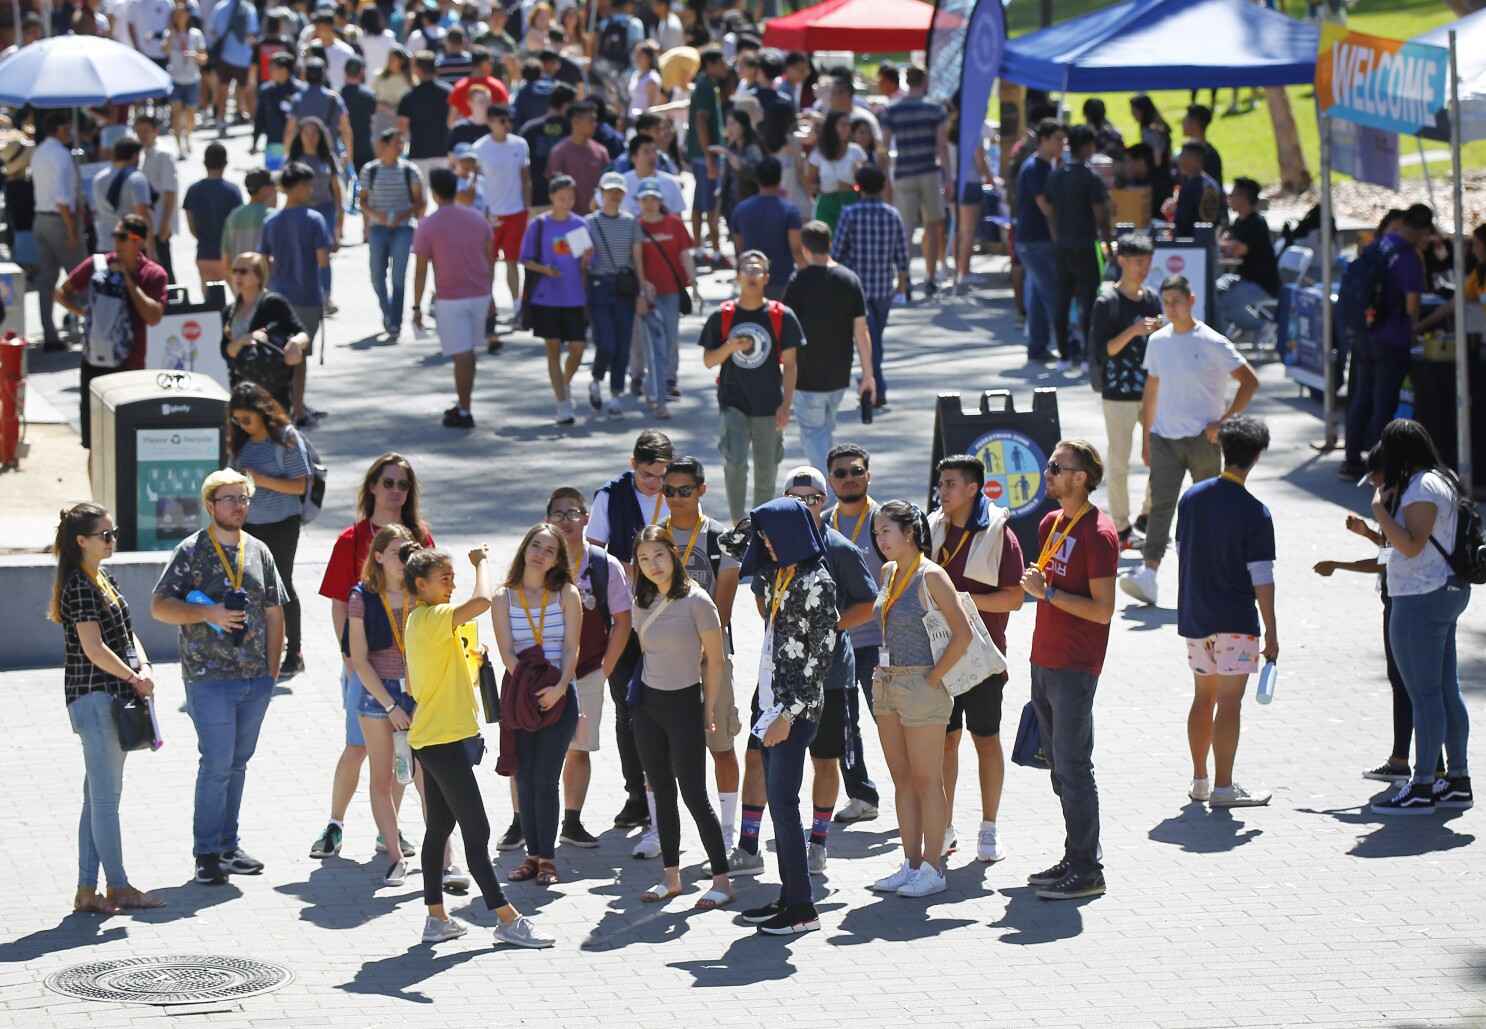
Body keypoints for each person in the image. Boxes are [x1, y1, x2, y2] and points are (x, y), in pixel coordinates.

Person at [401, 544, 555, 947]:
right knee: (477, 830)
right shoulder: (432, 617)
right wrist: (480, 562)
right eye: (445, 579)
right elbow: (484, 600)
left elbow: (425, 682)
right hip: (443, 742)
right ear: (421, 585)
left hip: (432, 740)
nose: (452, 586)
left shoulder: (420, 621)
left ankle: (436, 919)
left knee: (439, 828)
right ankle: (506, 918)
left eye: (454, 578)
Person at [151, 469, 285, 886]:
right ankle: (206, 852)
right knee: (216, 765)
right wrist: (207, 613)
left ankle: (228, 844)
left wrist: (273, 669)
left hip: (256, 678)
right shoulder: (191, 551)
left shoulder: (259, 550)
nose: (238, 506)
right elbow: (159, 606)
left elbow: (275, 609)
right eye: (229, 499)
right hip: (209, 677)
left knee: (237, 764)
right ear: (210, 505)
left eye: (243, 499)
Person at [719, 498, 837, 934]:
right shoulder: (780, 571)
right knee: (779, 804)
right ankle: (790, 895)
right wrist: (760, 520)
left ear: (789, 534)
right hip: (770, 702)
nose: (763, 542)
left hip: (793, 711)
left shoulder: (816, 582)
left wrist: (788, 713)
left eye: (771, 533)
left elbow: (819, 659)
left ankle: (803, 908)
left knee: (784, 807)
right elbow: (731, 546)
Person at [50, 502, 166, 914]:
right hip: (95, 699)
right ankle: (118, 887)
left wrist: (145, 667)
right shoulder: (79, 585)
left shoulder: (102, 577)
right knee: (105, 799)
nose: (112, 540)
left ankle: (87, 891)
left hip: (109, 697)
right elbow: (94, 649)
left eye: (113, 533)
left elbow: (128, 635)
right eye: (105, 535)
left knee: (95, 798)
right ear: (81, 541)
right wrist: (135, 679)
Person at [1017, 440, 1119, 900]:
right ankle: (1074, 853)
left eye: (1056, 467)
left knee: (1075, 766)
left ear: (1081, 478)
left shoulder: (1099, 534)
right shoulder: (1050, 523)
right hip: (1045, 658)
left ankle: (1087, 868)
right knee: (1058, 766)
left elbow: (1102, 611)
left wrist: (1049, 595)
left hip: (1076, 665)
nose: (1047, 473)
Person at [1119, 275, 1259, 606]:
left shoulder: (1212, 341)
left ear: (1191, 299)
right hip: (1164, 438)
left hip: (1203, 440)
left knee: (1207, 510)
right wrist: (1147, 438)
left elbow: (1249, 382)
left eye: (1177, 301)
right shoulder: (1159, 341)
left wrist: (1223, 423)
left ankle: (1211, 576)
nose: (1171, 308)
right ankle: (1149, 574)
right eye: (1166, 302)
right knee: (1160, 509)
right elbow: (1151, 390)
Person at [865, 498, 974, 897]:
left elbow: (962, 633)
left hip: (922, 685)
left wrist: (933, 679)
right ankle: (910, 864)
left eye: (886, 531)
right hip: (887, 682)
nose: (880, 540)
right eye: (876, 533)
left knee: (929, 780)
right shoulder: (889, 571)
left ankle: (933, 866)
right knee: (903, 780)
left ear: (909, 532)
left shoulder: (932, 576)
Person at [1313, 444, 1438, 784]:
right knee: (1409, 684)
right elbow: (1389, 550)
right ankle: (1413, 761)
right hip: (1399, 599)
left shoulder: (1403, 503)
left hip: (1405, 602)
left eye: (1375, 478)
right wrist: (1368, 532)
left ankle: (1426, 765)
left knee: (1410, 685)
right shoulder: (1400, 503)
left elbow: (1387, 561)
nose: (1372, 486)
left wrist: (1336, 565)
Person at [1369, 420, 1474, 815]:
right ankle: (1457, 780)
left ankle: (1423, 785)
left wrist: (1379, 509)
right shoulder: (1441, 479)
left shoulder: (1421, 487)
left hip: (1420, 598)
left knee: (1425, 695)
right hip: (1441, 594)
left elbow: (1411, 546)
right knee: (1446, 690)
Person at [627, 524, 735, 907]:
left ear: (674, 553)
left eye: (658, 555)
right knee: (661, 793)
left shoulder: (698, 600)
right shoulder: (641, 601)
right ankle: (671, 879)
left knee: (694, 796)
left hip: (685, 705)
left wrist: (708, 708)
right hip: (648, 708)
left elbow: (716, 661)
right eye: (643, 558)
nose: (652, 564)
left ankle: (721, 882)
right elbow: (645, 651)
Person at [1176, 416, 1279, 808]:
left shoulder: (1192, 498)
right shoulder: (1256, 512)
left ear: (1222, 448)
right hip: (1236, 620)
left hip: (1197, 616)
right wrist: (1271, 631)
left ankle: (1201, 779)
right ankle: (1224, 787)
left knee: (1203, 697)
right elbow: (1262, 577)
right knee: (1230, 704)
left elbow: (1184, 550)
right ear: (1255, 458)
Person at [928, 454, 1026, 862]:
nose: (943, 492)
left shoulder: (1001, 534)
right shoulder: (932, 527)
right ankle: (945, 827)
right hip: (938, 656)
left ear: (973, 489)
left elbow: (1015, 599)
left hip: (983, 658)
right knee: (944, 743)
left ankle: (989, 829)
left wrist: (960, 604)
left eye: (951, 484)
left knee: (985, 741)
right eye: (941, 484)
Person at [539, 488, 633, 850]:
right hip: (543, 673)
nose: (565, 520)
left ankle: (572, 822)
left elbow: (622, 621)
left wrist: (605, 669)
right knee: (533, 749)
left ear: (586, 519)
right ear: (548, 519)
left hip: (588, 672)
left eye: (572, 513)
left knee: (579, 748)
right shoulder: (538, 560)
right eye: (558, 514)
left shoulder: (603, 565)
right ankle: (521, 822)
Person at [490, 525, 580, 886]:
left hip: (559, 696)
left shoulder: (566, 594)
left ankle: (548, 859)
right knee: (523, 778)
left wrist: (558, 687)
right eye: (535, 546)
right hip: (520, 696)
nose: (540, 554)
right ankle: (531, 855)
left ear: (557, 559)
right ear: (525, 549)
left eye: (549, 550)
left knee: (545, 779)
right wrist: (529, 687)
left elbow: (572, 647)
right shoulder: (503, 597)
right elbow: (506, 651)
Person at [700, 250, 802, 521]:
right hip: (733, 400)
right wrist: (730, 347)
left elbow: (790, 364)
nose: (752, 275)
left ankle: (760, 525)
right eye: (746, 270)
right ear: (737, 276)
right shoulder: (722, 315)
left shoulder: (782, 316)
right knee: (734, 464)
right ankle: (737, 525)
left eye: (757, 270)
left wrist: (786, 404)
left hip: (769, 403)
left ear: (766, 277)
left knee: (766, 472)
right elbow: (709, 361)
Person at [55, 215, 168, 447]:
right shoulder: (98, 265)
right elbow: (61, 292)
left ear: (139, 242)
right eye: (115, 235)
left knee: (126, 440)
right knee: (94, 442)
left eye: (123, 236)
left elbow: (154, 316)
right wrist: (85, 313)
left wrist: (128, 281)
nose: (116, 241)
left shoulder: (153, 274)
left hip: (130, 365)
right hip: (93, 362)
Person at [1341, 205, 1432, 479]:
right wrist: (1414, 329)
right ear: (1424, 230)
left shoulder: (1380, 243)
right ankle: (1382, 466)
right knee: (1384, 402)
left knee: (1362, 397)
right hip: (1392, 337)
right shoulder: (1409, 257)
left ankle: (1351, 460)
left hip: (1365, 332)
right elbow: (1413, 304)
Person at [225, 382, 309, 677]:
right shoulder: (239, 442)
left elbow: (300, 484)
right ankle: (258, 648)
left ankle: (294, 650)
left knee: (281, 584)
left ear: (262, 413)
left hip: (282, 523)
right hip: (248, 525)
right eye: (237, 420)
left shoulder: (286, 438)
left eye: (247, 419)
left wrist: (259, 479)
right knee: (251, 588)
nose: (242, 425)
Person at [783, 221, 874, 473]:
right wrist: (868, 375)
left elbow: (786, 330)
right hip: (839, 375)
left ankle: (833, 491)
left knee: (813, 435)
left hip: (807, 375)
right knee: (825, 433)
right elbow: (861, 330)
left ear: (804, 249)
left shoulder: (798, 281)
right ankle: (835, 486)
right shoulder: (850, 279)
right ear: (830, 244)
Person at [1089, 233, 1161, 550]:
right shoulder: (1108, 302)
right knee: (1119, 462)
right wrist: (1133, 330)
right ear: (1122, 262)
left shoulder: (1153, 298)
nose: (1143, 268)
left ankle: (1148, 514)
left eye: (1147, 262)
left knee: (1162, 455)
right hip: (1118, 394)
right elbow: (1103, 351)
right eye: (1137, 262)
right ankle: (1120, 527)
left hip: (1151, 392)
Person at [411, 167, 495, 429]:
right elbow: (490, 258)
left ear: (434, 193)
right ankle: (463, 404)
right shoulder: (477, 219)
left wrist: (416, 306)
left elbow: (421, 271)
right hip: (479, 294)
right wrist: (491, 292)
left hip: (450, 299)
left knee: (463, 355)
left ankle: (465, 409)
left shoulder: (428, 225)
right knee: (467, 354)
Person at [258, 161, 332, 427]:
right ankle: (298, 409)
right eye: (309, 185)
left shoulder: (271, 221)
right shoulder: (314, 219)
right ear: (299, 187)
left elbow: (262, 259)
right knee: (299, 357)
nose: (312, 190)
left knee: (278, 355)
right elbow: (323, 260)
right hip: (306, 294)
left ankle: (280, 407)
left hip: (278, 294)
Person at [832, 165, 909, 408]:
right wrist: (902, 285)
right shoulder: (892, 215)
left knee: (871, 339)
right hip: (884, 288)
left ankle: (874, 385)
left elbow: (836, 252)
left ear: (859, 187)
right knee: (875, 339)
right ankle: (874, 381)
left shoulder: (849, 214)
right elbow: (902, 255)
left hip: (858, 290)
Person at [1040, 124, 1110, 374]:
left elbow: (1049, 210)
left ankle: (1064, 354)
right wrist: (1109, 245)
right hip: (1085, 244)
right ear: (1088, 146)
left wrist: (1056, 236)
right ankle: (1089, 354)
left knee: (1063, 299)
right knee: (1089, 302)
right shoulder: (1091, 178)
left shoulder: (1056, 175)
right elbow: (1101, 215)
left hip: (1063, 245)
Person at [520, 173, 590, 424]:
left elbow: (584, 265)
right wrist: (545, 270)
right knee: (552, 351)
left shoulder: (581, 224)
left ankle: (564, 384)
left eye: (571, 198)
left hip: (574, 296)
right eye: (562, 198)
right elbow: (525, 259)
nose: (567, 202)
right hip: (546, 296)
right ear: (551, 197)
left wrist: (585, 260)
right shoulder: (538, 225)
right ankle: (562, 404)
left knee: (577, 348)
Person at [585, 172, 648, 419]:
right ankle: (596, 379)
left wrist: (642, 292)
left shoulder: (631, 222)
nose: (614, 195)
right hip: (599, 286)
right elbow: (581, 261)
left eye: (618, 191)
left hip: (625, 288)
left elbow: (638, 261)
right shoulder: (587, 222)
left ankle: (614, 397)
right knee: (606, 342)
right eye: (609, 191)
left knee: (623, 345)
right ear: (600, 193)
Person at [880, 66, 948, 296]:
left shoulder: (892, 109)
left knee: (906, 229)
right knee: (931, 226)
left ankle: (904, 279)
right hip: (929, 171)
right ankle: (930, 278)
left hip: (903, 173)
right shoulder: (935, 109)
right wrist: (947, 178)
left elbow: (885, 144)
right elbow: (941, 146)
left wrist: (885, 177)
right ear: (925, 80)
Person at [636, 177, 698, 415]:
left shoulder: (674, 224)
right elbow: (635, 261)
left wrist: (694, 285)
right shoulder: (636, 226)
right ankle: (658, 396)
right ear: (639, 202)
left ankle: (663, 381)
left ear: (661, 200)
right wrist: (642, 286)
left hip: (672, 292)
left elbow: (685, 255)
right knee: (656, 345)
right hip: (648, 296)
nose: (649, 204)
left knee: (671, 341)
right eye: (644, 199)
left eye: (653, 199)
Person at [220, 252, 307, 416]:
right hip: (242, 390)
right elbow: (226, 352)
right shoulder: (229, 311)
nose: (237, 276)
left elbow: (302, 333)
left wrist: (295, 344)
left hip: (273, 387)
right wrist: (242, 341)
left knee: (274, 436)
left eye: (243, 271)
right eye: (234, 271)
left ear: (258, 277)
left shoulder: (273, 303)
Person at [360, 128, 426, 339]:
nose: (400, 147)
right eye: (396, 143)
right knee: (377, 275)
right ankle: (387, 311)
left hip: (403, 228)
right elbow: (362, 200)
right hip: (378, 228)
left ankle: (395, 322)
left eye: (402, 143)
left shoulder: (411, 170)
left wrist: (403, 214)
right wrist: (375, 215)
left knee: (399, 277)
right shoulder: (370, 170)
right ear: (384, 145)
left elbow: (419, 201)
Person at [34, 113, 89, 351]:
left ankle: (50, 332)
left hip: (41, 219)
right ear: (60, 130)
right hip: (59, 222)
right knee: (82, 278)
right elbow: (62, 199)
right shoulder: (62, 156)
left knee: (46, 280)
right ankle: (92, 327)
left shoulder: (38, 152)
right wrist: (71, 229)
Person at [1016, 119, 1068, 364]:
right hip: (1036, 241)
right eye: (1057, 138)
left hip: (1035, 240)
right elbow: (1045, 206)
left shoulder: (1045, 166)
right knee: (1053, 295)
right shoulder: (1037, 167)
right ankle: (1071, 345)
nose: (1062, 144)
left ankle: (1037, 346)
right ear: (1044, 140)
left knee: (1038, 296)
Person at [286, 116, 344, 309]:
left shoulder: (327, 157)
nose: (311, 138)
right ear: (300, 136)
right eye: (306, 133)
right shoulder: (294, 160)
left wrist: (339, 220)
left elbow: (336, 188)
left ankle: (326, 297)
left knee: (324, 253)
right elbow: (283, 187)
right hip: (301, 211)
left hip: (325, 209)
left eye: (314, 134)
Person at [730, 157, 803, 302]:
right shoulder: (790, 211)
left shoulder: (741, 209)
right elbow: (796, 251)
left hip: (751, 282)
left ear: (757, 180)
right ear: (780, 177)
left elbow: (740, 248)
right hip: (782, 282)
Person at [183, 143, 243, 291]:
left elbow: (192, 227)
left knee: (211, 308)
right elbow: (238, 225)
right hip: (228, 256)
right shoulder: (232, 190)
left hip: (204, 254)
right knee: (242, 304)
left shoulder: (193, 190)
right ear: (226, 163)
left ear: (204, 163)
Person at [686, 48, 728, 261]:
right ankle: (716, 252)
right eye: (721, 62)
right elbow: (701, 123)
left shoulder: (707, 86)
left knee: (700, 203)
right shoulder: (704, 88)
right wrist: (710, 158)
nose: (725, 66)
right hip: (706, 156)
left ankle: (699, 248)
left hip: (702, 155)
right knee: (711, 204)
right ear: (710, 64)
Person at [132, 115, 180, 282]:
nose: (142, 135)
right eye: (138, 131)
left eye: (146, 131)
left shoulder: (163, 154)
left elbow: (170, 191)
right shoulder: (144, 154)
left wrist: (166, 223)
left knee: (164, 268)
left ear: (156, 131)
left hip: (160, 223)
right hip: (149, 223)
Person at [805, 110, 864, 235]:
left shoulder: (857, 152)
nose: (847, 129)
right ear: (832, 127)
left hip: (851, 204)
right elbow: (809, 184)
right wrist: (823, 188)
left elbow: (866, 185)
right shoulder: (819, 154)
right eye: (842, 125)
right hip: (826, 206)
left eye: (849, 125)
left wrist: (853, 187)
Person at [206, 0, 259, 136]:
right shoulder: (249, 9)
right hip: (243, 57)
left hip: (224, 56)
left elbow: (213, 31)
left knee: (223, 90)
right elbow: (251, 33)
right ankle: (254, 122)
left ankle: (221, 121)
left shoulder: (220, 7)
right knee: (248, 89)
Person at [520, 81, 575, 212]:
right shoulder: (573, 129)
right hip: (567, 200)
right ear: (566, 105)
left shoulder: (529, 129)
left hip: (536, 198)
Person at [91, 138, 154, 250]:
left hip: (105, 243)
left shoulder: (98, 178)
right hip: (131, 247)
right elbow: (143, 214)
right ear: (135, 156)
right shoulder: (136, 179)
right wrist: (151, 248)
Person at [399, 51, 454, 179]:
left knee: (420, 197)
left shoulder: (410, 95)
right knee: (442, 196)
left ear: (417, 69)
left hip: (419, 152)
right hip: (443, 151)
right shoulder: (448, 91)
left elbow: (402, 125)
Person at [164, 3, 206, 153]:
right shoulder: (170, 34)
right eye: (177, 14)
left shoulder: (196, 34)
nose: (180, 17)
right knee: (176, 115)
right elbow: (165, 50)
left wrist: (195, 56)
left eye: (182, 14)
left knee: (191, 117)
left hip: (192, 79)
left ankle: (187, 135)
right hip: (174, 78)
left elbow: (204, 58)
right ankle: (179, 146)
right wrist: (171, 33)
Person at [220, 168, 278, 274]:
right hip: (267, 284)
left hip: (241, 285)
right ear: (265, 188)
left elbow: (226, 263)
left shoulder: (233, 217)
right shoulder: (273, 217)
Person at [1167, 140, 1225, 240]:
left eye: (1182, 156)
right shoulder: (1212, 185)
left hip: (1190, 246)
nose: (1179, 160)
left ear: (1193, 160)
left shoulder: (1188, 189)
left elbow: (1179, 225)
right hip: (1209, 241)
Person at [251, 53, 304, 157]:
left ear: (284, 70)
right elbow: (260, 117)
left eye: (273, 68)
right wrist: (255, 141)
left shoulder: (300, 90)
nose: (269, 70)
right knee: (273, 172)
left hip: (297, 144)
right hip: (273, 142)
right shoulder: (266, 91)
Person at [340, 58, 379, 173]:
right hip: (365, 148)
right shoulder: (369, 95)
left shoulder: (337, 96)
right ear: (362, 73)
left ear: (344, 71)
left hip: (344, 150)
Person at [373, 45, 415, 139]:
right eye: (389, 58)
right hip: (382, 117)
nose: (389, 61)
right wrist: (383, 106)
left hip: (401, 119)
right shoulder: (379, 76)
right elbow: (371, 97)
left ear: (402, 61)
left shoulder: (411, 81)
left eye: (393, 59)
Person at [1181, 104, 1224, 195]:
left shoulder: (1209, 155)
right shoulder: (1190, 150)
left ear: (1194, 123)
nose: (1183, 123)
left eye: (1186, 119)